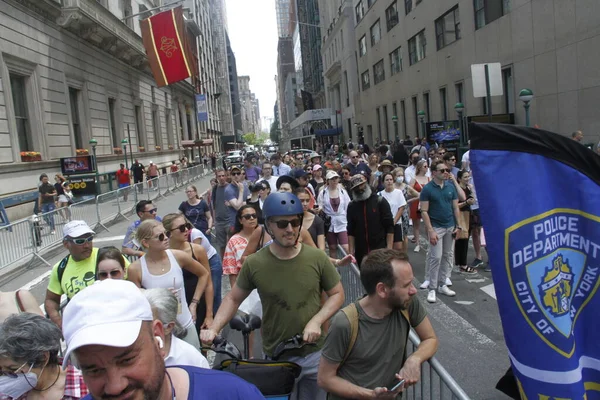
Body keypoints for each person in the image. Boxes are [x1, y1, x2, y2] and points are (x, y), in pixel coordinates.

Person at [202, 192, 345, 400]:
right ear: (269, 225)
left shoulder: (316, 258)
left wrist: (317, 321)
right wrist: (214, 328)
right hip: (276, 355)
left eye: (295, 222)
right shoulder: (255, 263)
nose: (290, 229)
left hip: (314, 354)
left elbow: (337, 293)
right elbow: (233, 298)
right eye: (282, 224)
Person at [61, 279, 266, 399]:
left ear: (158, 336)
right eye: (93, 370)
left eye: (126, 360)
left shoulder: (231, 394)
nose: (115, 386)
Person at [317, 249, 438, 399]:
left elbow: (430, 339)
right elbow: (325, 379)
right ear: (382, 290)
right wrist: (370, 395)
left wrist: (415, 359)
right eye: (406, 285)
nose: (414, 290)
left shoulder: (407, 303)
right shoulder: (345, 323)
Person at [127, 219, 209, 348]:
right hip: (160, 329)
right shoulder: (135, 269)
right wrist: (157, 296)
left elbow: (204, 274)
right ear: (146, 243)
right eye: (160, 236)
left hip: (185, 322)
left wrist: (194, 303)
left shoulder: (178, 256)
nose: (166, 238)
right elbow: (136, 303)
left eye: (166, 234)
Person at [0, 313, 88, 399]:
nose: (6, 376)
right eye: (1, 371)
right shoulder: (8, 392)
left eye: (12, 369)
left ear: (42, 358)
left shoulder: (86, 389)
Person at [44, 220, 104, 329]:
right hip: (81, 330)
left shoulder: (106, 256)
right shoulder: (60, 268)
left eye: (89, 239)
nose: (87, 245)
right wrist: (58, 321)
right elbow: (51, 299)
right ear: (66, 244)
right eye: (80, 241)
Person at [163, 213, 215, 332]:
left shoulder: (197, 250)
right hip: (174, 307)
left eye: (186, 226)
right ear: (168, 233)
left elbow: (208, 283)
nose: (186, 230)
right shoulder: (163, 254)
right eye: (181, 228)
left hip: (197, 303)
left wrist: (209, 315)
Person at [420, 160, 461, 303]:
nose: (445, 173)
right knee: (435, 257)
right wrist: (430, 230)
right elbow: (424, 211)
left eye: (446, 170)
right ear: (434, 172)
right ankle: (432, 287)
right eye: (442, 170)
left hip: (450, 225)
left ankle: (443, 284)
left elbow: (455, 207)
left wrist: (459, 225)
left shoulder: (450, 187)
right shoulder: (427, 189)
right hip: (437, 226)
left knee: (447, 255)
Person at [144, 288, 210, 369]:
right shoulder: (131, 353)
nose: (140, 327)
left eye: (149, 323)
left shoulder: (192, 360)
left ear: (168, 327)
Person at [347, 174, 394, 267]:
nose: (360, 188)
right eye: (356, 187)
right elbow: (350, 230)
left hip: (380, 252)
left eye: (362, 185)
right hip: (361, 253)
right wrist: (351, 252)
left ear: (366, 184)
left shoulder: (380, 201)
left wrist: (389, 250)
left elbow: (390, 227)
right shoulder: (352, 206)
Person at [189, 225, 223, 316]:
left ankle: (216, 318)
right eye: (180, 228)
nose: (184, 230)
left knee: (214, 292)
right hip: (197, 263)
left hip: (211, 260)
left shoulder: (194, 233)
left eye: (184, 226)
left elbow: (197, 256)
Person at [222, 205, 259, 288]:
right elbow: (232, 272)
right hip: (246, 287)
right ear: (240, 220)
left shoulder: (265, 236)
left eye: (254, 216)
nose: (252, 218)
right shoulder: (233, 242)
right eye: (247, 216)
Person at [317, 170, 351, 258]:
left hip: (342, 222)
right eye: (332, 179)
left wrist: (349, 220)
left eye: (336, 178)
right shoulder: (323, 193)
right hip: (329, 223)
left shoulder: (343, 192)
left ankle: (349, 268)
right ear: (328, 180)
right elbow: (320, 205)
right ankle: (335, 268)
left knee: (346, 247)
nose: (334, 180)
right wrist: (319, 209)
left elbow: (348, 206)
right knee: (332, 247)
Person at [454, 170, 477, 274]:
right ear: (459, 179)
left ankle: (461, 263)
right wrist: (466, 202)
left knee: (464, 240)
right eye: (465, 177)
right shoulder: (457, 189)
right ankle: (462, 264)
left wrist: (471, 191)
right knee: (461, 241)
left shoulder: (468, 187)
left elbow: (473, 200)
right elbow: (455, 206)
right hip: (461, 216)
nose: (467, 179)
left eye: (468, 177)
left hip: (468, 216)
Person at [378, 172, 408, 251]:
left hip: (397, 223)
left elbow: (401, 208)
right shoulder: (380, 194)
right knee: (387, 247)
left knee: (398, 247)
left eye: (391, 179)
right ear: (383, 182)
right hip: (384, 225)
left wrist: (394, 221)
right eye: (387, 180)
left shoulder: (398, 193)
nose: (389, 181)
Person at [409, 160, 430, 253]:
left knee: (427, 224)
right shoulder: (414, 179)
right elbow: (409, 191)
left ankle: (430, 242)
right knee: (416, 224)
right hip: (416, 202)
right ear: (420, 167)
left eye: (427, 166)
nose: (426, 168)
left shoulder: (429, 179)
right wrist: (417, 194)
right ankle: (417, 243)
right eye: (425, 166)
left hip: (427, 203)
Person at [225, 166, 250, 230]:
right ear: (230, 176)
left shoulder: (245, 186)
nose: (236, 175)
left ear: (241, 175)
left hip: (246, 220)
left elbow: (250, 202)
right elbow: (238, 207)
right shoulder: (228, 189)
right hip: (234, 223)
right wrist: (241, 191)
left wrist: (232, 204)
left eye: (238, 173)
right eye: (233, 174)